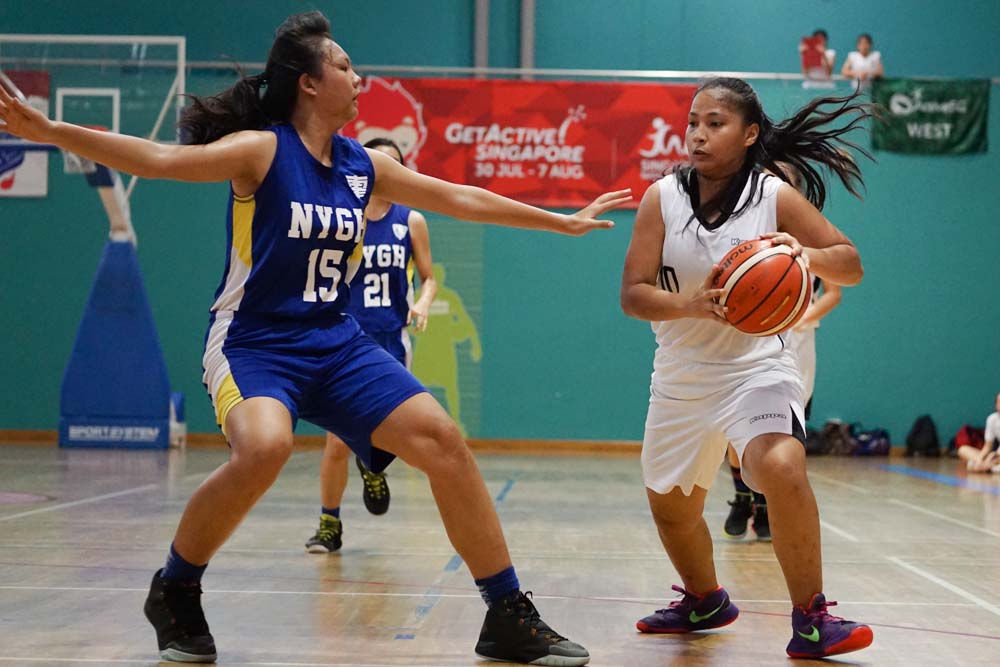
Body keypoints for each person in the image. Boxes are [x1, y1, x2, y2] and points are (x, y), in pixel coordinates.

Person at [0, 12, 631, 665]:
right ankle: (176, 586)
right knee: (266, 447)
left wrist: (561, 222)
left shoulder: (362, 165)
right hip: (253, 341)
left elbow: (458, 197)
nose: (360, 77)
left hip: (336, 341)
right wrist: (48, 131)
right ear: (309, 83)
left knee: (445, 442)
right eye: (346, 66)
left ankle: (505, 612)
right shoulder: (262, 150)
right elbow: (161, 160)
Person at [620, 77, 874, 658]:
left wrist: (795, 253)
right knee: (671, 507)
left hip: (756, 367)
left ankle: (812, 619)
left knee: (783, 468)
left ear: (749, 133)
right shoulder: (661, 198)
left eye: (715, 123)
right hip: (682, 374)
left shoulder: (772, 196)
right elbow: (633, 295)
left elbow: (850, 263)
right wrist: (690, 304)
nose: (698, 135)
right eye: (692, 123)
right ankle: (705, 599)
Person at [304, 136, 436, 553]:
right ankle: (329, 524)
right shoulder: (345, 215)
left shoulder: (410, 220)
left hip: (391, 337)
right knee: (335, 439)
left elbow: (428, 275)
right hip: (346, 335)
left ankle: (373, 463)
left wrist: (423, 302)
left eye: (393, 162)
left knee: (389, 431)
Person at [722, 162, 843, 543]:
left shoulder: (812, 235)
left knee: (783, 431)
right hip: (748, 341)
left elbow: (835, 292)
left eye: (781, 180)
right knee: (736, 428)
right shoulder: (741, 229)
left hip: (798, 340)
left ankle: (763, 504)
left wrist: (803, 315)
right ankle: (745, 497)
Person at [958, 392, 1000, 473]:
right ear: (996, 405)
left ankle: (990, 466)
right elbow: (987, 446)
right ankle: (988, 466)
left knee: (991, 459)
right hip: (995, 456)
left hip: (997, 455)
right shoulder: (992, 419)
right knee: (962, 450)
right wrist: (980, 460)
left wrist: (994, 458)